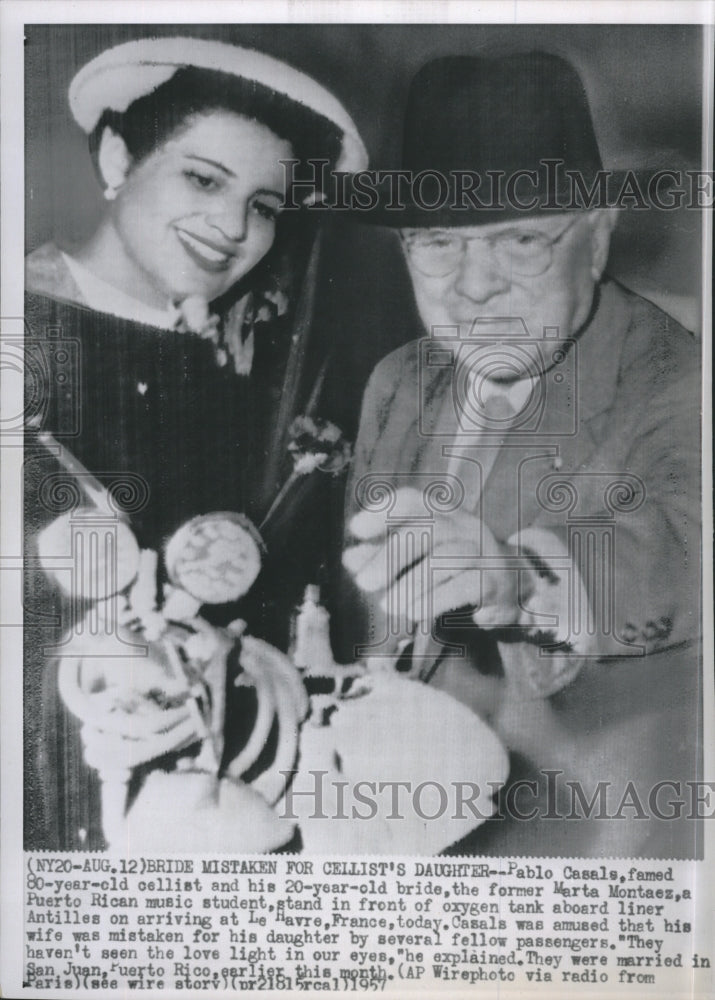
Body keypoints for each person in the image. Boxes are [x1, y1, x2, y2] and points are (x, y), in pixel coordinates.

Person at [342, 52, 701, 858]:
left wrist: (517, 576)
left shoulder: (680, 377)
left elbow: (689, 542)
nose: (473, 287)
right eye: (437, 244)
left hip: (585, 849)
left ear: (599, 237)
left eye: (520, 241)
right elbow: (384, 618)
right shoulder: (396, 382)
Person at [24, 36, 367, 850]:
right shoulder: (25, 337)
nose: (232, 226)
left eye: (263, 206)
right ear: (117, 156)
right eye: (203, 178)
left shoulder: (227, 370)